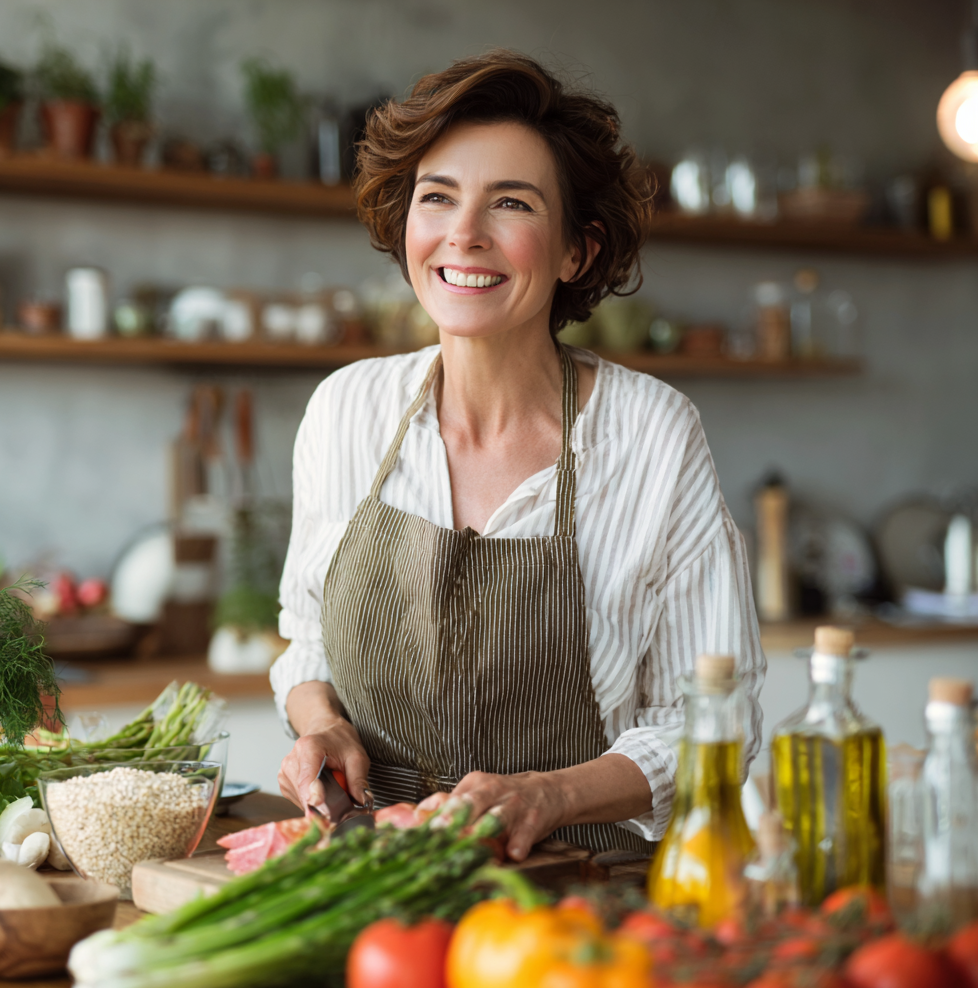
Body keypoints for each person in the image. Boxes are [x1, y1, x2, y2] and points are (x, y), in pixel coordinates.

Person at [271, 49, 765, 861]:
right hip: (369, 881)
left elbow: (719, 723)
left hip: (582, 904)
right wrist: (321, 726)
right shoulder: (346, 412)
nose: (464, 234)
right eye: (438, 198)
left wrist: (549, 794)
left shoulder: (650, 437)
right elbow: (308, 641)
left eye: (510, 203)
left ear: (577, 250)